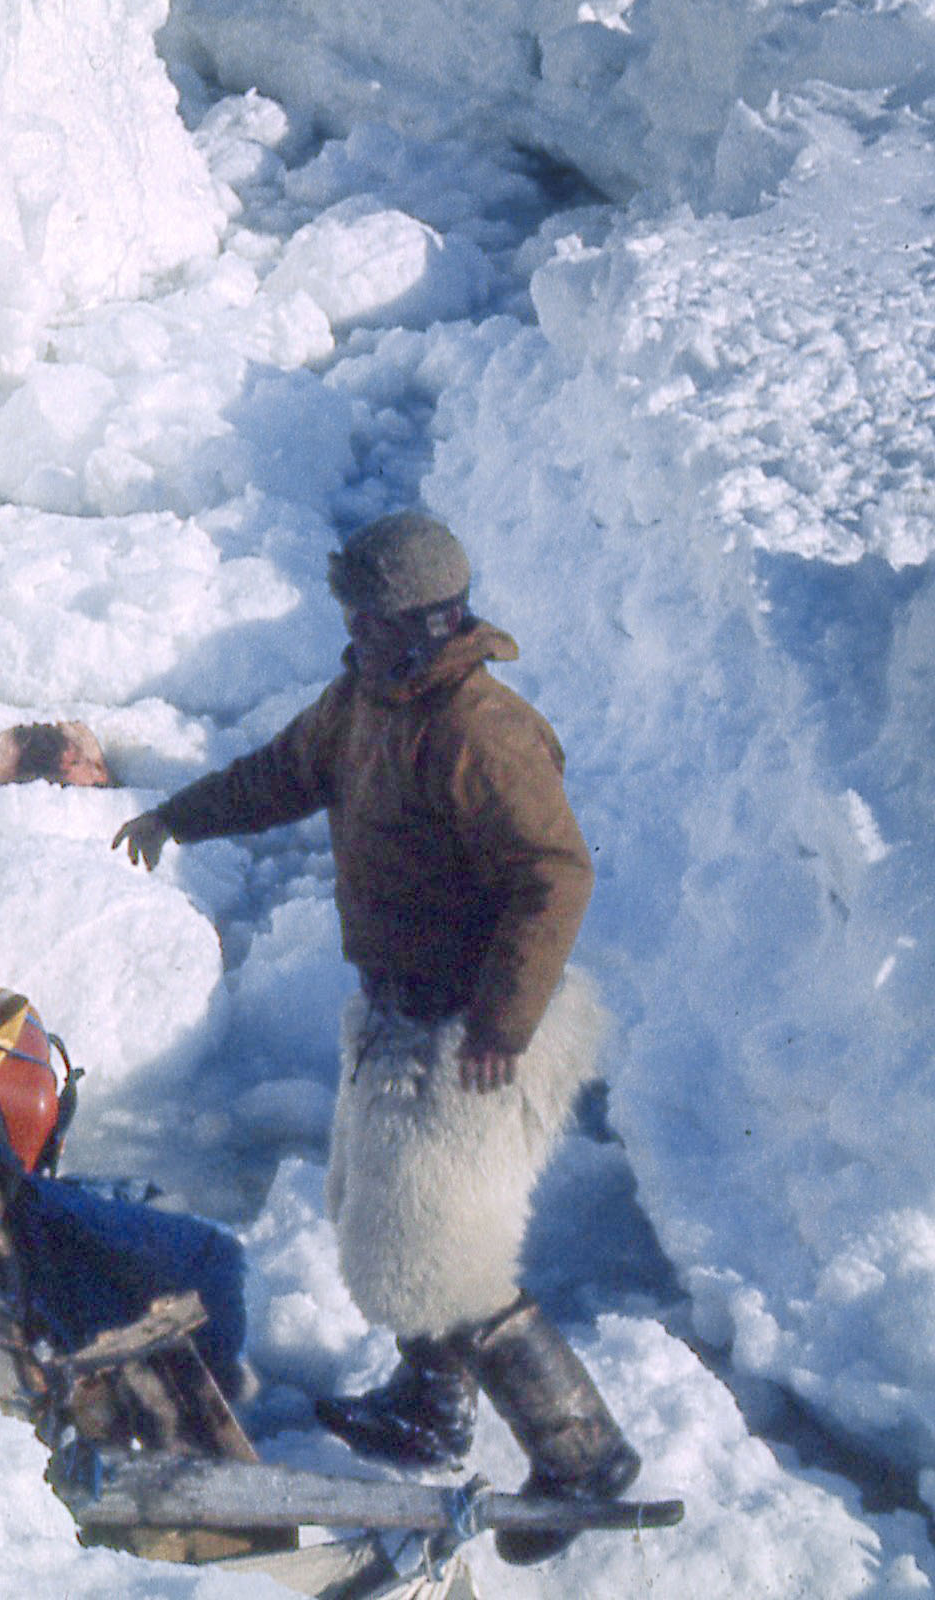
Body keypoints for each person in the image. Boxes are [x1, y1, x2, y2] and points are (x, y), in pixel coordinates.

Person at [114, 513, 640, 1565]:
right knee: (377, 1213)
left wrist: (500, 1024)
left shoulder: (480, 731)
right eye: (346, 610)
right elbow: (280, 773)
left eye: (364, 612)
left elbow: (553, 875)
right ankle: (427, 1404)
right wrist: (180, 815)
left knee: (446, 1253)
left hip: (471, 1028)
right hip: (398, 1013)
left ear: (422, 620)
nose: (348, 629)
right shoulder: (365, 699)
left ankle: (581, 1453)